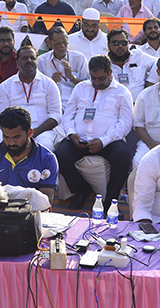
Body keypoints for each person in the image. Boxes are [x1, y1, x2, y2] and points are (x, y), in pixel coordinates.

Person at [57, 54, 132, 212]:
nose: (97, 82)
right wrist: (71, 134)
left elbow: (125, 123)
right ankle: (82, 188)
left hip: (108, 141)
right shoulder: (81, 87)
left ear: (110, 72)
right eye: (93, 78)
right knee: (59, 154)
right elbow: (68, 115)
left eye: (101, 78)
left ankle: (110, 202)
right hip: (79, 139)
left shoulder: (122, 92)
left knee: (123, 157)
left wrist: (103, 141)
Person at [0, 106, 59, 202]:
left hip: (31, 210)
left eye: (16, 137)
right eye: (6, 137)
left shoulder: (47, 159)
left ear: (30, 133)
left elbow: (45, 201)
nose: (11, 143)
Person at [0, 45, 61, 151]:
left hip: (42, 131)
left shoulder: (49, 84)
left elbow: (56, 115)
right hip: (11, 131)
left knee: (45, 146)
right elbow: (0, 117)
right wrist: (16, 134)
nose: (29, 61)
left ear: (37, 61)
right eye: (24, 58)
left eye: (32, 58)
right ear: (17, 63)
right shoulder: (6, 86)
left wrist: (33, 132)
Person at [38, 26, 89, 107]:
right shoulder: (41, 60)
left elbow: (87, 87)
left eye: (65, 42)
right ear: (49, 43)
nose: (62, 46)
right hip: (51, 101)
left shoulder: (79, 58)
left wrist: (72, 78)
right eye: (57, 43)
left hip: (75, 101)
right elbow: (37, 89)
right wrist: (51, 82)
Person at [107, 27, 156, 100]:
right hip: (114, 104)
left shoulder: (138, 56)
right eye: (116, 43)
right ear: (109, 45)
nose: (120, 46)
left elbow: (159, 63)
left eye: (123, 43)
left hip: (137, 103)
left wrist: (151, 80)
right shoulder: (104, 62)